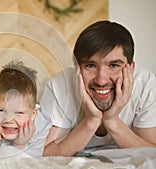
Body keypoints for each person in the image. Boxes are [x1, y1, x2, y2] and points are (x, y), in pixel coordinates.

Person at [41, 20, 156, 156]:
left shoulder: (144, 84)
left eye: (114, 66)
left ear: (131, 68)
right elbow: (46, 153)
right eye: (90, 65)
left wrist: (111, 120)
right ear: (77, 68)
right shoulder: (60, 86)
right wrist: (91, 120)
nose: (101, 81)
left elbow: (152, 151)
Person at [0, 61, 49, 157]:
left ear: (33, 114)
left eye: (19, 112)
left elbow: (33, 164)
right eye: (0, 110)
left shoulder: (41, 129)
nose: (9, 119)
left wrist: (20, 145)